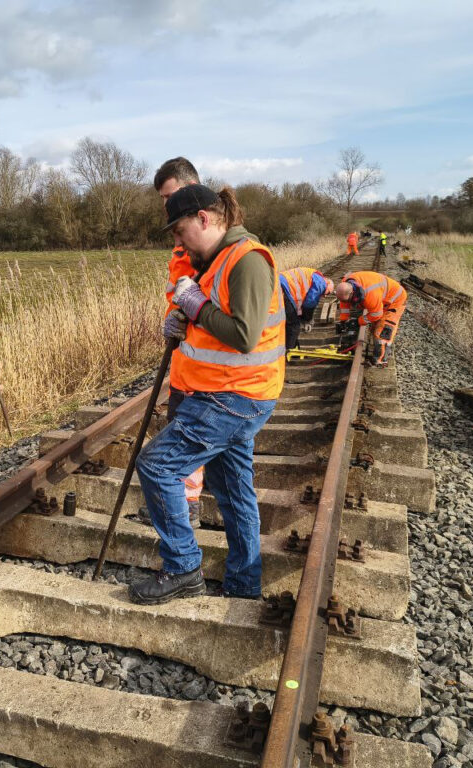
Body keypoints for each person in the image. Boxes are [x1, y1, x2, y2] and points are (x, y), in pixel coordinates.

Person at [131, 184, 285, 604]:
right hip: (228, 393)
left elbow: (244, 336)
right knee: (234, 492)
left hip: (234, 398)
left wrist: (196, 307)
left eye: (180, 231)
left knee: (158, 466)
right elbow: (214, 321)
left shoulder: (248, 260)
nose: (178, 242)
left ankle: (183, 567)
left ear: (204, 218)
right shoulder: (215, 259)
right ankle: (243, 585)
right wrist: (183, 319)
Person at [147, 157, 206, 528]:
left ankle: (187, 504)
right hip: (184, 353)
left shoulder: (205, 241)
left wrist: (186, 312)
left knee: (187, 435)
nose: (166, 206)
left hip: (203, 360)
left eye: (170, 196)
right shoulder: (182, 244)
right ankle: (183, 500)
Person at [334, 271, 407, 366]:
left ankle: (379, 361)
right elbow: (344, 303)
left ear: (352, 293)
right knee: (374, 328)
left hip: (395, 301)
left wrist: (358, 321)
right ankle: (375, 351)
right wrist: (344, 321)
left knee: (381, 332)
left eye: (348, 299)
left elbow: (376, 314)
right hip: (381, 301)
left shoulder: (370, 293)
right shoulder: (346, 285)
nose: (347, 302)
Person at [278, 267, 334, 349]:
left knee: (287, 322)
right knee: (293, 326)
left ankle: (292, 348)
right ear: (327, 283)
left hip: (279, 284)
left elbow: (301, 302)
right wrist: (308, 320)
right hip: (283, 288)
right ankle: (289, 352)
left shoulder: (314, 277)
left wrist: (302, 318)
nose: (325, 296)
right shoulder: (322, 283)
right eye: (328, 293)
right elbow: (309, 303)